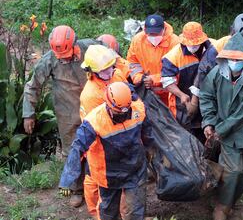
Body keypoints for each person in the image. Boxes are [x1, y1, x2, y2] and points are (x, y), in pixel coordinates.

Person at [22, 25, 98, 207]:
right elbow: (33, 86)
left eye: (66, 54)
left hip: (96, 105)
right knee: (73, 149)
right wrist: (28, 114)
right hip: (68, 110)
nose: (62, 59)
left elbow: (114, 59)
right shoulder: (49, 60)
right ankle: (77, 189)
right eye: (59, 56)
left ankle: (102, 185)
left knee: (101, 144)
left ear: (74, 43)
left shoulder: (92, 48)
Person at [59, 82, 153, 220]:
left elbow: (147, 132)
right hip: (109, 175)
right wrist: (67, 180)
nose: (123, 115)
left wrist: (149, 152)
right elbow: (77, 148)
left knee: (135, 211)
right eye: (118, 112)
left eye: (127, 111)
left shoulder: (138, 108)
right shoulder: (94, 121)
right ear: (108, 105)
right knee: (108, 213)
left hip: (135, 169)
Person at [199, 33, 243, 220]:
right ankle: (222, 205)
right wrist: (209, 121)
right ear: (224, 58)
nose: (234, 62)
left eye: (238, 59)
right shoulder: (216, 74)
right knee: (233, 171)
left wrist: (219, 130)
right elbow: (206, 97)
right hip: (225, 130)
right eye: (230, 58)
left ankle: (230, 200)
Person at [79, 44, 128, 216]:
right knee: (95, 179)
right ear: (92, 71)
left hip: (118, 133)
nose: (109, 73)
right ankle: (96, 214)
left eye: (111, 68)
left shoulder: (116, 74)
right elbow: (97, 126)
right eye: (104, 71)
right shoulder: (90, 95)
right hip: (97, 141)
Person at [161, 21, 216, 142]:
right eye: (189, 44)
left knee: (207, 128)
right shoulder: (173, 57)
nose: (193, 46)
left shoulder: (212, 48)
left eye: (196, 44)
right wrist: (181, 95)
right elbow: (166, 81)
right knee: (186, 134)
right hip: (183, 102)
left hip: (207, 98)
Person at [127, 14, 179, 105]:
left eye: (157, 33)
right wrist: (140, 78)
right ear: (145, 30)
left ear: (163, 30)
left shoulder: (175, 43)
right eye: (150, 33)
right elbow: (133, 63)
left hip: (171, 93)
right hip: (148, 92)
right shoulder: (137, 40)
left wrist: (154, 79)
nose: (153, 36)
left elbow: (178, 71)